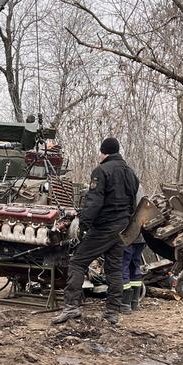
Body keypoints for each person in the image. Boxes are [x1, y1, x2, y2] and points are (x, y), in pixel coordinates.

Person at [52, 137, 139, 326]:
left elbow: (95, 202)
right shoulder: (130, 173)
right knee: (114, 268)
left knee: (77, 262)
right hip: (122, 227)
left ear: (104, 152)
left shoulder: (101, 171)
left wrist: (82, 225)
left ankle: (71, 307)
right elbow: (133, 201)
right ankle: (112, 312)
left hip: (103, 227)